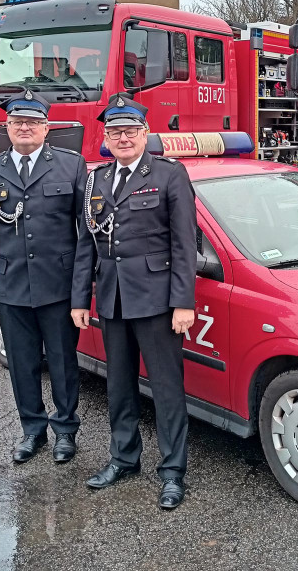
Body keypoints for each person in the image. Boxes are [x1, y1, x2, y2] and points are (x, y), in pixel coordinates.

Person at [74, 93, 197, 510]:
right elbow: (86, 244)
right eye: (114, 132)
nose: (122, 138)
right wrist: (81, 300)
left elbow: (184, 244)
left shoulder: (169, 175)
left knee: (165, 389)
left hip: (158, 301)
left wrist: (183, 302)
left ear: (145, 134)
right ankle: (124, 458)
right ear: (105, 138)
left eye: (130, 131)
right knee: (119, 387)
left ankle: (172, 472)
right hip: (112, 299)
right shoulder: (97, 180)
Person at [0, 90, 93, 464]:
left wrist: (83, 287)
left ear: (46, 128)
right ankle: (32, 430)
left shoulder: (71, 166)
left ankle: (66, 431)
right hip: (12, 285)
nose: (25, 128)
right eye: (18, 122)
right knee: (22, 362)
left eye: (33, 122)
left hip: (58, 285)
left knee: (64, 362)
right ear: (7, 127)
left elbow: (85, 231)